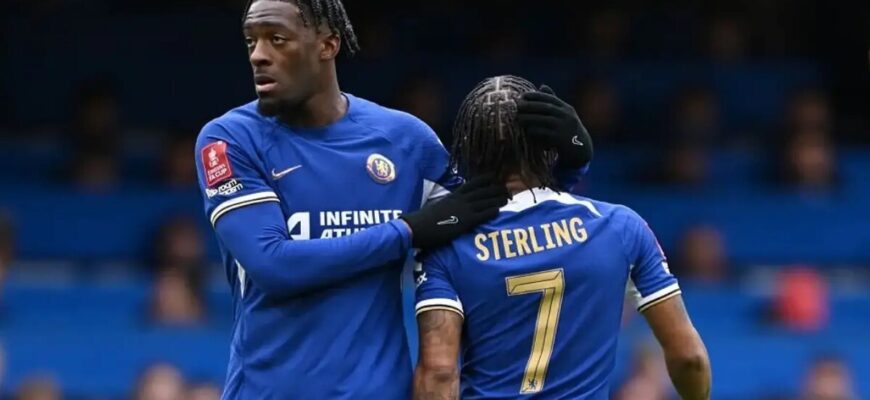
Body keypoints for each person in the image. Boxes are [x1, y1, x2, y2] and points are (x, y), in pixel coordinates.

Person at [194, 1, 592, 398]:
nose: (258, 55)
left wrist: (571, 162)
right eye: (251, 41)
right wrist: (408, 231)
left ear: (328, 44)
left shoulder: (405, 140)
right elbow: (274, 264)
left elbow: (500, 225)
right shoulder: (229, 140)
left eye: (277, 39)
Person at [413, 76, 710, 399]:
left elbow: (440, 372)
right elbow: (689, 359)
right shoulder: (620, 226)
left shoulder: (447, 247)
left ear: (468, 153)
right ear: (548, 147)